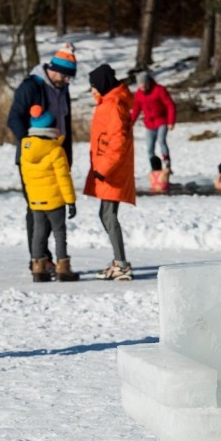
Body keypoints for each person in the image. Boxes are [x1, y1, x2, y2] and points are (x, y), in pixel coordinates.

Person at [7, 43, 77, 274]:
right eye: (66, 76)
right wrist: (29, 146)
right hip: (33, 160)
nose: (67, 81)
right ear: (55, 70)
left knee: (55, 208)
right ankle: (39, 258)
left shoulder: (62, 89)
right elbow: (14, 118)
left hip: (57, 157)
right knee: (36, 208)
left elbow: (65, 122)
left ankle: (46, 259)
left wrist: (67, 156)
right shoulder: (31, 86)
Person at [85, 64, 136, 281]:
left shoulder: (113, 105)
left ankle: (122, 264)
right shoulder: (108, 102)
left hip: (111, 170)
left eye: (94, 86)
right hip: (107, 169)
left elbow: (118, 141)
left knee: (109, 215)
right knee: (104, 215)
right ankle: (119, 261)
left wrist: (103, 169)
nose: (92, 91)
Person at [20, 105, 79, 282]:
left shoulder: (25, 150)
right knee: (59, 233)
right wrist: (71, 201)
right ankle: (63, 268)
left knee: (38, 233)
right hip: (55, 201)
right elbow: (64, 178)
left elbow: (26, 177)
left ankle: (38, 269)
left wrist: (32, 198)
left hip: (36, 201)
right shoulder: (56, 150)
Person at [131, 70, 177, 170]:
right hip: (149, 124)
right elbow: (136, 110)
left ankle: (167, 163)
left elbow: (170, 105)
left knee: (161, 140)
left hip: (162, 121)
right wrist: (130, 123)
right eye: (140, 86)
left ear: (148, 83)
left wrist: (171, 122)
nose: (143, 89)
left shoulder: (159, 90)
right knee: (149, 148)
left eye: (144, 86)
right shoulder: (139, 94)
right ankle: (155, 168)